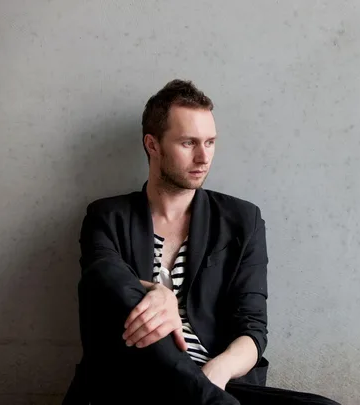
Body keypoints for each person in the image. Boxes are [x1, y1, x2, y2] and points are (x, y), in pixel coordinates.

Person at [63, 80, 340, 405]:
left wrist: (214, 374)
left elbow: (252, 329)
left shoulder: (242, 220)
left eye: (210, 142)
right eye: (188, 143)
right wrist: (156, 292)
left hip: (216, 386)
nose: (203, 157)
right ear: (152, 145)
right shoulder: (107, 216)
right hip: (132, 386)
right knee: (111, 286)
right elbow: (105, 282)